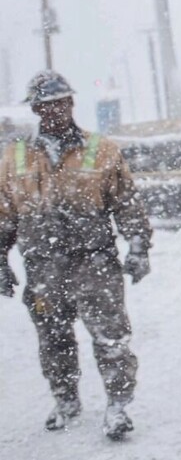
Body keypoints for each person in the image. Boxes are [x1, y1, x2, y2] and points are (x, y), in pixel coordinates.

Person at [0, 70, 152, 440]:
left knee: (111, 337)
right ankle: (66, 399)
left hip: (95, 263)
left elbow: (127, 203)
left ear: (71, 103)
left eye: (61, 102)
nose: (55, 110)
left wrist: (138, 247)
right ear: (35, 108)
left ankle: (117, 406)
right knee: (53, 338)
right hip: (42, 268)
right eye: (47, 104)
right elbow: (4, 213)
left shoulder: (102, 150)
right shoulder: (14, 157)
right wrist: (1, 261)